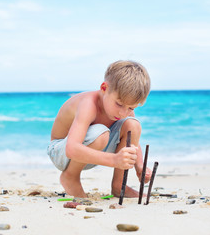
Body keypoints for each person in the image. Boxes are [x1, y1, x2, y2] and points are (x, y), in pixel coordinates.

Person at [47, 60, 152, 198]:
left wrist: (140, 166)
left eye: (131, 107)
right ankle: (70, 177)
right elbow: (71, 149)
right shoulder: (88, 104)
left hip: (91, 153)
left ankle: (118, 185)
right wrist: (115, 160)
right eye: (119, 104)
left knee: (132, 124)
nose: (123, 113)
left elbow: (132, 139)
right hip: (62, 153)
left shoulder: (123, 111)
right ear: (104, 88)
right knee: (100, 133)